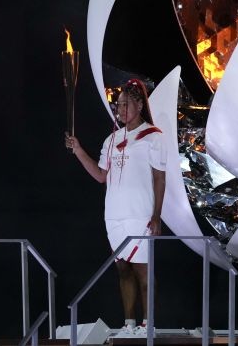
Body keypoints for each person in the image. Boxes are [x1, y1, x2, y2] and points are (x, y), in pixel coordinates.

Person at [65, 78, 167, 335]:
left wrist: (156, 215)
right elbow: (101, 175)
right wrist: (78, 150)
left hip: (141, 214)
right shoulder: (111, 140)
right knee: (123, 269)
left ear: (140, 105)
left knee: (143, 271)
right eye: (118, 105)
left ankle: (148, 325)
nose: (120, 110)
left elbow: (159, 177)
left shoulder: (153, 137)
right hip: (114, 215)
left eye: (126, 104)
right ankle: (130, 324)